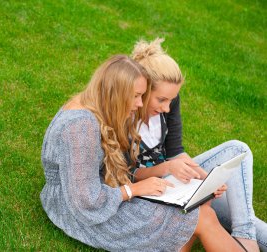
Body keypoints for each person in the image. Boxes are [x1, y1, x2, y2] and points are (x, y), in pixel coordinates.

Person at [40, 54, 246, 251]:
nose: (140, 103)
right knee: (201, 217)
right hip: (82, 212)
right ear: (117, 93)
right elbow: (85, 202)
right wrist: (134, 190)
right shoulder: (80, 127)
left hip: (104, 193)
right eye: (137, 96)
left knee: (195, 211)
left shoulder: (97, 106)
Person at [130, 38, 267, 252]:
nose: (167, 107)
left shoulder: (169, 102)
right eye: (161, 100)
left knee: (238, 158)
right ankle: (247, 241)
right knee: (220, 213)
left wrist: (205, 179)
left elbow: (176, 153)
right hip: (150, 191)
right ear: (144, 90)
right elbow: (128, 175)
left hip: (175, 183)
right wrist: (167, 168)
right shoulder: (124, 113)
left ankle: (245, 236)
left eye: (171, 101)